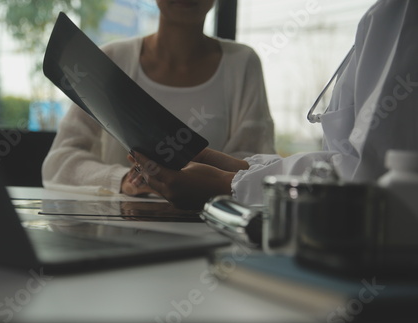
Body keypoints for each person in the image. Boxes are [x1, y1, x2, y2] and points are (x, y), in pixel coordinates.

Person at [132, 0, 418, 209]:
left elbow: (368, 177)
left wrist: (229, 183)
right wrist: (240, 167)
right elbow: (342, 163)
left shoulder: (401, 15)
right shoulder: (387, 15)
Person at [42, 0, 275, 196]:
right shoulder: (112, 59)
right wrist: (122, 179)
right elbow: (59, 162)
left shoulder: (242, 63)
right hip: (120, 232)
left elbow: (253, 165)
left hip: (208, 230)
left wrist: (206, 182)